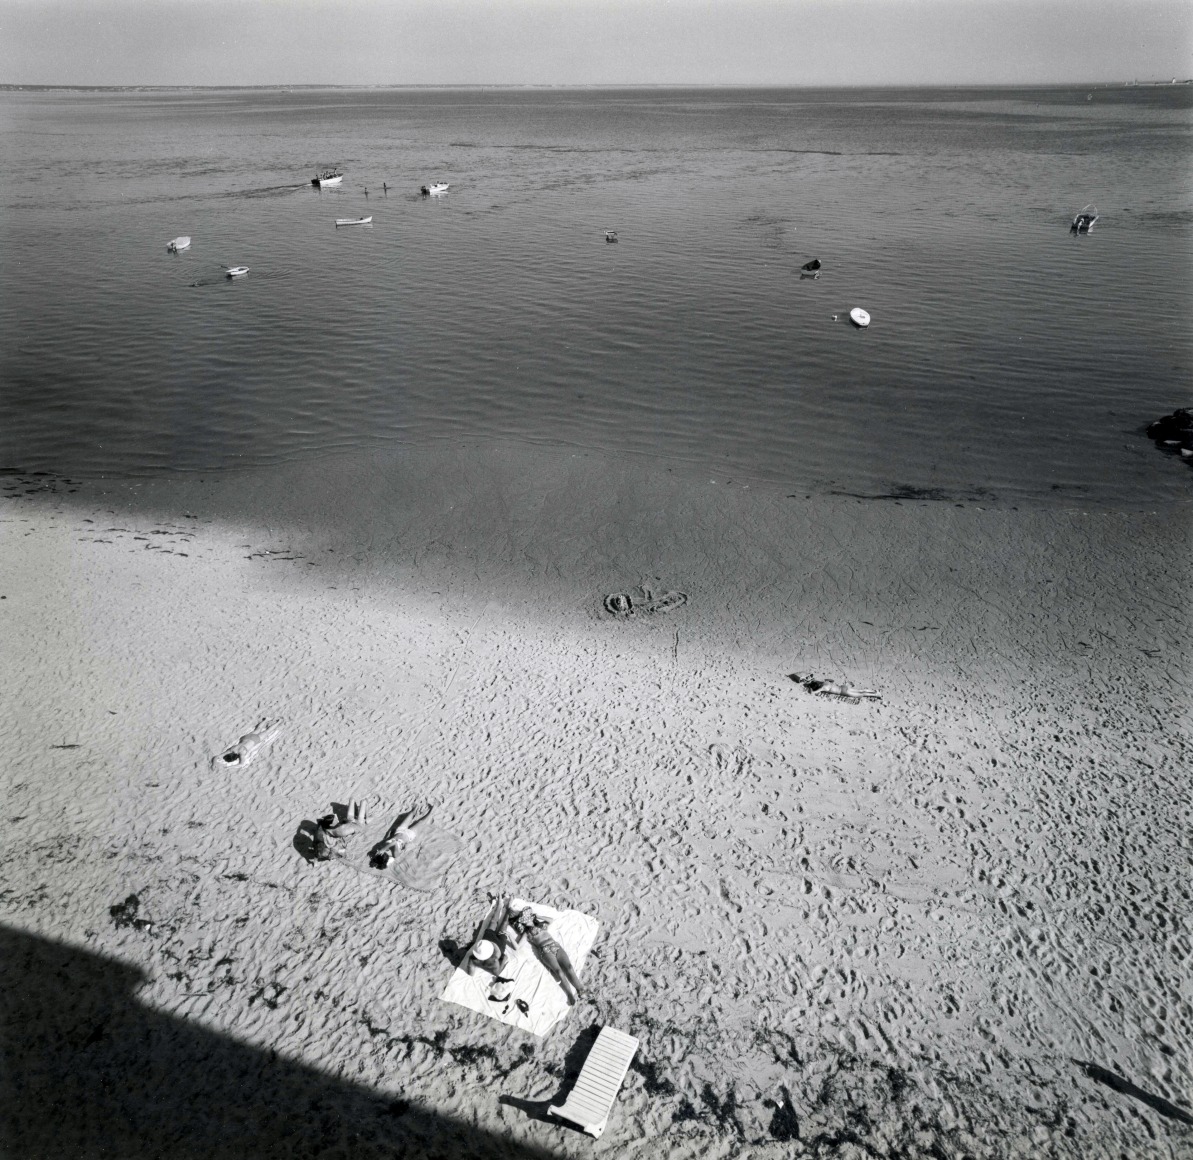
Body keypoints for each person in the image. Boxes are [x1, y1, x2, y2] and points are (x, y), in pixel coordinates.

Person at [509, 907, 584, 1004]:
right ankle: (569, 994)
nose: (527, 919)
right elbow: (518, 947)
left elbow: (551, 920)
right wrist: (509, 935)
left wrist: (538, 916)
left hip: (555, 946)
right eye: (524, 919)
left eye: (528, 917)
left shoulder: (541, 925)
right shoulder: (526, 933)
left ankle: (581, 989)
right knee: (559, 972)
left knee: (569, 967)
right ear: (522, 923)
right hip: (545, 951)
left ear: (532, 917)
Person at [369, 803, 433, 870]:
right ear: (385, 859)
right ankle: (431, 810)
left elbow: (388, 839)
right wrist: (383, 849)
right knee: (421, 822)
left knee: (410, 814)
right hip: (409, 835)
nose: (381, 854)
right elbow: (394, 843)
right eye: (382, 855)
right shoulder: (395, 855)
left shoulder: (382, 851)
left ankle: (414, 809)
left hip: (399, 831)